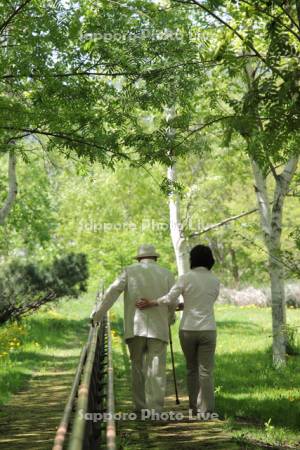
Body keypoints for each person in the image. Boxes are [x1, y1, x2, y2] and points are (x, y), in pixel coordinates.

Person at [90, 244, 176, 413]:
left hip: (135, 327)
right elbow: (172, 301)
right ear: (156, 258)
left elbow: (112, 292)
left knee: (137, 367)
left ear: (138, 258)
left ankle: (140, 407)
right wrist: (170, 318)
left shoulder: (129, 271)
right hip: (159, 328)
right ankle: (155, 410)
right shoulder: (166, 273)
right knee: (157, 369)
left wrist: (97, 315)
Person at [136, 244, 220, 415]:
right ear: (210, 260)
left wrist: (152, 302)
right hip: (208, 329)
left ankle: (193, 408)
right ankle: (207, 410)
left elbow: (169, 298)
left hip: (188, 329)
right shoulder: (215, 280)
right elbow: (206, 301)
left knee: (191, 369)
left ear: (192, 259)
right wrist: (187, 304)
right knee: (206, 371)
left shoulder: (185, 278)